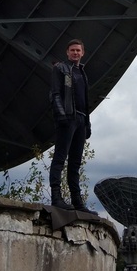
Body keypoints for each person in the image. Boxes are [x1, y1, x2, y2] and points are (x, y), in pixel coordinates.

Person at [48, 38, 90, 211]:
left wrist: (87, 123)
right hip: (67, 118)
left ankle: (77, 201)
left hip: (81, 119)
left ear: (82, 53)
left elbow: (85, 100)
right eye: (72, 50)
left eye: (78, 50)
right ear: (67, 52)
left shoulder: (82, 72)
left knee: (75, 163)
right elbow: (55, 93)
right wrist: (62, 115)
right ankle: (56, 197)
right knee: (60, 158)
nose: (75, 53)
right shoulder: (61, 69)